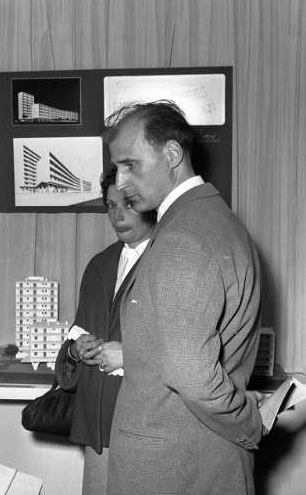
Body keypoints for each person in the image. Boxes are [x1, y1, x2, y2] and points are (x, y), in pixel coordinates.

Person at [102, 100, 264, 495]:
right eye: (117, 168)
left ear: (172, 154)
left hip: (175, 469)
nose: (121, 181)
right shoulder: (203, 220)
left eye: (130, 165)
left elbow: (192, 375)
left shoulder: (184, 238)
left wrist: (250, 421)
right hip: (187, 459)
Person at [55, 165, 154, 495]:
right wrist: (76, 350)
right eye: (111, 205)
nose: (118, 215)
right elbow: (74, 336)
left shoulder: (170, 262)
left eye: (129, 204)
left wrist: (128, 356)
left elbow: (189, 355)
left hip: (148, 430)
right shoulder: (99, 264)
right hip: (98, 430)